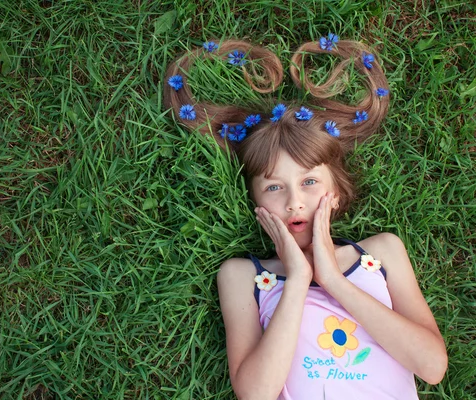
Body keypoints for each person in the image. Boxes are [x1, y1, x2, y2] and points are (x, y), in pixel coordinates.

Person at [164, 37, 448, 399]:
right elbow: (256, 394)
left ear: (338, 190)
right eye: (273, 187)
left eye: (309, 182)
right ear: (252, 198)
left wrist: (333, 280)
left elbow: (432, 367)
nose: (295, 202)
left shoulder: (381, 254)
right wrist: (298, 279)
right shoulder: (244, 276)